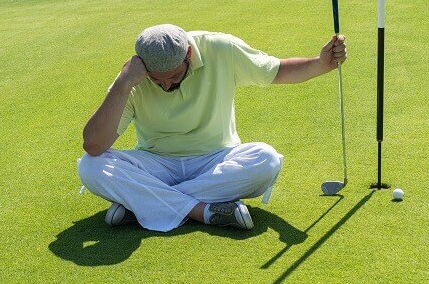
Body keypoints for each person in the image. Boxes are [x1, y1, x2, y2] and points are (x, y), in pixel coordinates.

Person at [79, 24, 348, 232]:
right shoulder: (132, 76)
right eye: (156, 79)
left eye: (172, 76)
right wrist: (124, 84)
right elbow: (94, 145)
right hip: (157, 164)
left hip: (216, 159)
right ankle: (203, 211)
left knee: (266, 159)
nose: (165, 86)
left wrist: (321, 63)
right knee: (89, 166)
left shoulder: (221, 48)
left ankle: (142, 205)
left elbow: (278, 71)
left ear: (188, 54)